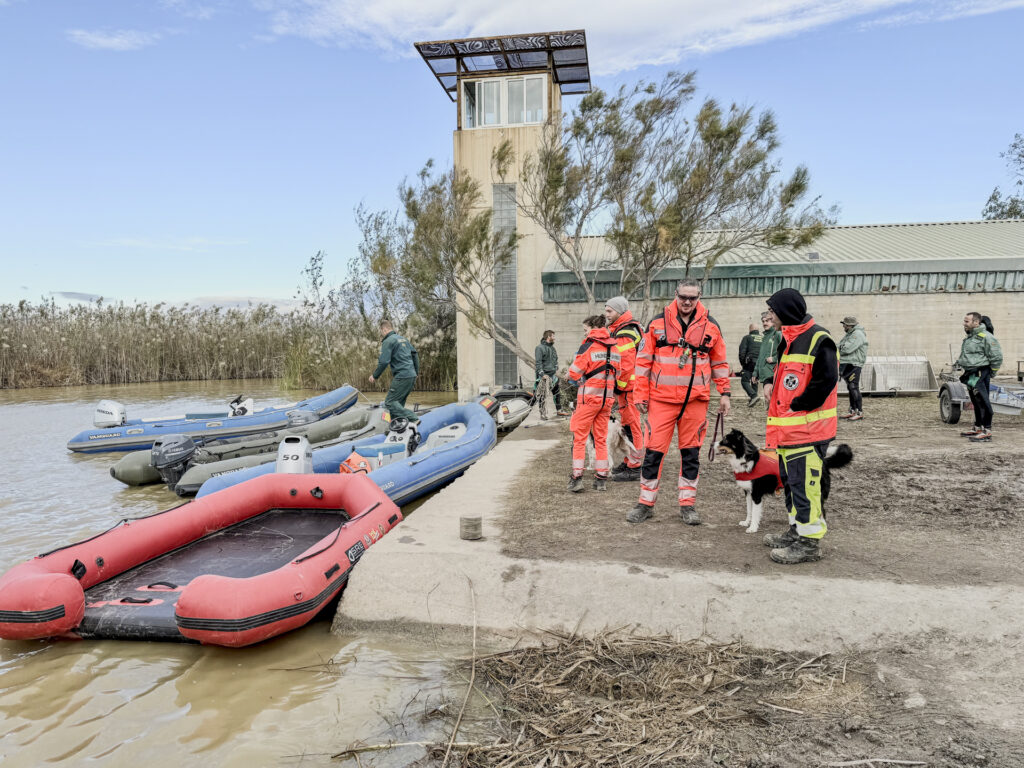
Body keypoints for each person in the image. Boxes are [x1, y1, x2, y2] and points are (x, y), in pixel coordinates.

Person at [626, 279, 731, 526]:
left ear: (699, 298)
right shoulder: (656, 323)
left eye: (692, 298)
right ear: (675, 294)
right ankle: (645, 503)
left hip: (695, 402)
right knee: (653, 453)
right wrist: (639, 394)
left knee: (691, 454)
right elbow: (642, 362)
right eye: (683, 296)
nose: (687, 302)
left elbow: (720, 363)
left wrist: (724, 393)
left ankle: (687, 505)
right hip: (661, 401)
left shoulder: (711, 326)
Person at [761, 288, 839, 565]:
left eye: (772, 311)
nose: (769, 316)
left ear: (785, 312)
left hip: (808, 432)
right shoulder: (788, 339)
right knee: (793, 486)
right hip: (788, 432)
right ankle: (796, 532)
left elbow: (827, 379)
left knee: (806, 488)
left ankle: (809, 544)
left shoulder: (819, 339)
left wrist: (799, 404)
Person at [566, 315, 621, 493]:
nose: (585, 332)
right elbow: (618, 373)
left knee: (580, 438)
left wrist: (570, 376)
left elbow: (574, 373)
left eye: (585, 329)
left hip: (588, 399)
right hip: (606, 401)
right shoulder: (614, 347)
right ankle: (601, 478)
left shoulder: (588, 345)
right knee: (601, 439)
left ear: (592, 328)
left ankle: (576, 477)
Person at [603, 296, 646, 481]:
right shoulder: (626, 328)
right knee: (629, 426)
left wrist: (618, 388)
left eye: (609, 311)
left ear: (619, 311)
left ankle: (635, 466)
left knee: (632, 427)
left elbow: (625, 365)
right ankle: (630, 461)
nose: (606, 315)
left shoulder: (624, 333)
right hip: (630, 388)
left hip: (629, 389)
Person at [956, 312, 1003, 443]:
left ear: (976, 322)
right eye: (964, 321)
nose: (964, 323)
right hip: (971, 373)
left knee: (983, 402)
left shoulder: (986, 337)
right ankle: (978, 427)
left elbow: (997, 356)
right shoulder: (970, 337)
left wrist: (991, 373)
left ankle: (987, 431)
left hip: (981, 373)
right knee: (975, 402)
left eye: (967, 321)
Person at [369, 320, 420, 423]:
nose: (381, 334)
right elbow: (415, 355)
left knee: (389, 403)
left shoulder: (388, 341)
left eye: (381, 331)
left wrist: (375, 376)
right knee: (398, 404)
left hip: (402, 376)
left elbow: (383, 362)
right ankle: (398, 424)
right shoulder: (403, 339)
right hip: (411, 375)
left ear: (384, 329)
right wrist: (416, 372)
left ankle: (413, 418)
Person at [837, 316, 869, 421]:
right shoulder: (850, 334)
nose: (843, 326)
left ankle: (859, 412)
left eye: (844, 324)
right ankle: (852, 410)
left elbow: (847, 348)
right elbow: (839, 345)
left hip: (854, 364)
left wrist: (839, 348)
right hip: (848, 363)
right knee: (850, 387)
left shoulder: (857, 334)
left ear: (850, 325)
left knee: (853, 387)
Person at [752, 312, 780, 407]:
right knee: (768, 397)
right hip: (765, 373)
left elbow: (787, 350)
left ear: (773, 321)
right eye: (763, 321)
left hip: (774, 372)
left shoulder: (778, 334)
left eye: (767, 320)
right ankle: (772, 418)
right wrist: (755, 373)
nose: (764, 323)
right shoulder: (765, 337)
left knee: (770, 396)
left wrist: (774, 359)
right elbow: (761, 356)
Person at [534, 330, 563, 420]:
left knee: (557, 393)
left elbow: (556, 359)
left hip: (553, 375)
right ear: (548, 337)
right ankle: (542, 413)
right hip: (544, 375)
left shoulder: (552, 348)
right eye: (553, 336)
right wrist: (542, 374)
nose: (554, 338)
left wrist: (556, 367)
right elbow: (538, 363)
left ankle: (559, 410)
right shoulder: (539, 348)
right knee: (543, 395)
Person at [738, 323, 764, 406]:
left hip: (750, 363)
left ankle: (753, 396)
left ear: (750, 329)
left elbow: (742, 352)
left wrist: (743, 365)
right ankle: (753, 399)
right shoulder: (763, 338)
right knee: (754, 380)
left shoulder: (747, 338)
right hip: (760, 363)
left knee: (744, 380)